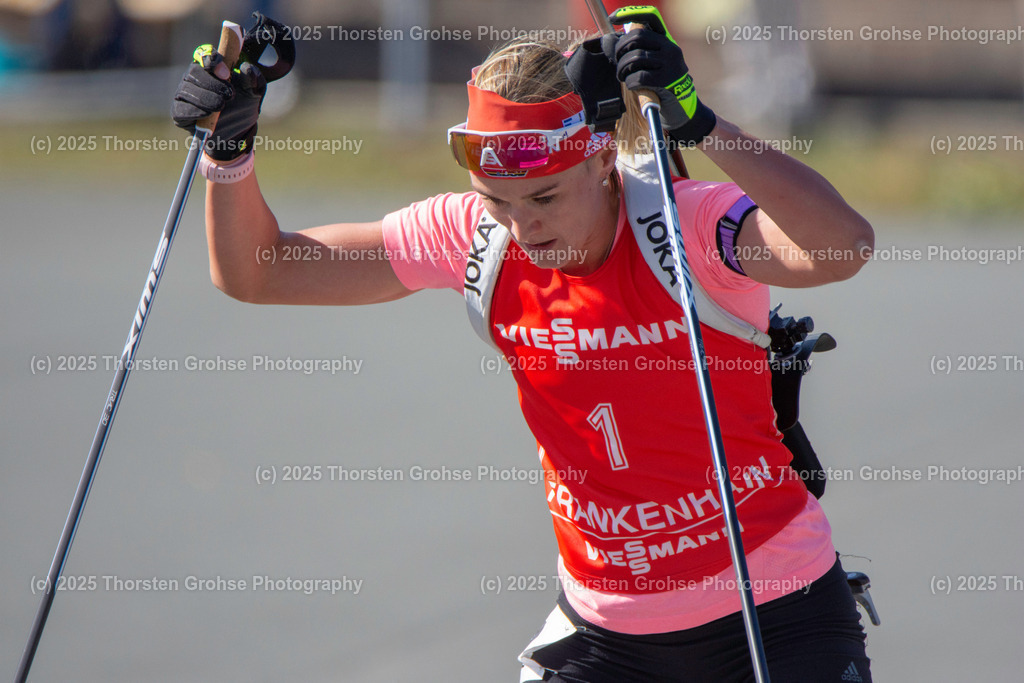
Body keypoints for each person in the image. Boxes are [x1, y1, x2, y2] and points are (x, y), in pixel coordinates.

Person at [172, 16, 875, 683]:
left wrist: (703, 124)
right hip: (607, 636)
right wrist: (227, 152)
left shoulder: (685, 222)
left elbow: (843, 247)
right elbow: (257, 270)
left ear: (602, 156)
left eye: (544, 197)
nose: (522, 226)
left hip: (776, 613)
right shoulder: (474, 238)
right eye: (497, 199)